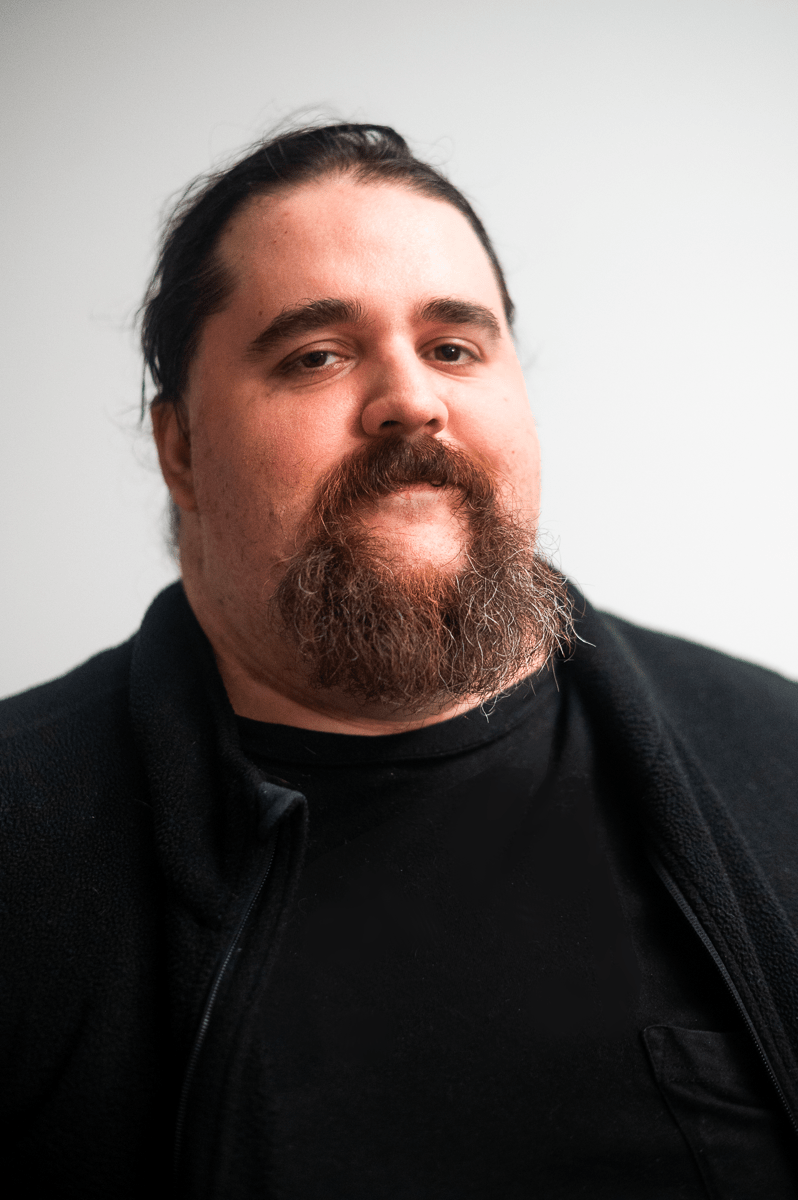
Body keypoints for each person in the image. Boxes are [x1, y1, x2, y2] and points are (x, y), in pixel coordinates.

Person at [2, 122, 798, 1199]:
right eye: (317, 355)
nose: (411, 399)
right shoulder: (22, 842)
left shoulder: (778, 760)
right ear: (181, 448)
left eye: (454, 347)